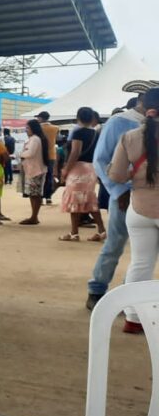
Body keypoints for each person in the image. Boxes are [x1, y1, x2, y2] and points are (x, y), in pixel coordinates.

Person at [86, 93, 146, 310]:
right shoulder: (118, 122)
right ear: (142, 99)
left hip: (151, 196)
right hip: (125, 194)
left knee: (144, 254)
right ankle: (96, 290)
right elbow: (101, 160)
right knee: (115, 244)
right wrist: (118, 191)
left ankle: (127, 296)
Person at [109, 87, 159, 334]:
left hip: (139, 209)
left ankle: (133, 319)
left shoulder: (129, 137)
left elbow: (116, 175)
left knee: (140, 263)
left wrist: (134, 174)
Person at [58, 106, 104, 242]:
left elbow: (75, 152)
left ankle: (74, 233)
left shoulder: (77, 132)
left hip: (78, 168)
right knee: (89, 199)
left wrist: (66, 169)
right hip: (90, 168)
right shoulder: (95, 133)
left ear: (78, 117)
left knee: (74, 199)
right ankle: (101, 230)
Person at [18, 119, 49, 226]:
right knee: (33, 194)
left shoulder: (35, 139)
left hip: (35, 170)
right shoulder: (35, 139)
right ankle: (34, 216)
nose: (26, 130)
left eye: (27, 128)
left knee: (35, 194)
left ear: (33, 128)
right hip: (33, 170)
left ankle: (34, 216)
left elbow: (30, 153)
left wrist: (20, 154)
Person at [36, 111, 60, 205]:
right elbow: (57, 139)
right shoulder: (56, 128)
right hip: (51, 155)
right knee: (49, 176)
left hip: (40, 155)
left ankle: (40, 197)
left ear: (41, 118)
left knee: (40, 176)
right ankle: (48, 197)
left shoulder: (37, 128)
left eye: (38, 117)